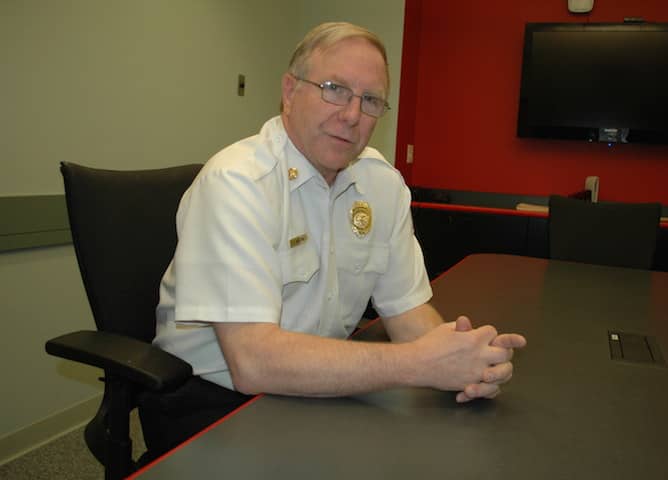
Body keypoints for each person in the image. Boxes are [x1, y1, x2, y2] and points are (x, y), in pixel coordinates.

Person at [152, 22, 526, 436]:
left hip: (318, 386)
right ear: (290, 92)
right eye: (334, 88)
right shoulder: (238, 182)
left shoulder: (381, 184)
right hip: (215, 402)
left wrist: (462, 359)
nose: (351, 115)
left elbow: (407, 312)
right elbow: (252, 362)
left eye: (370, 100)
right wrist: (420, 363)